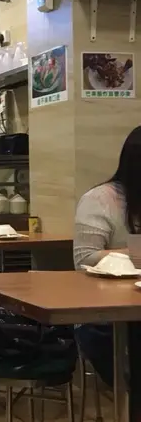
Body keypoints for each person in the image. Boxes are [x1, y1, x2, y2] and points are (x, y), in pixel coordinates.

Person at [73, 125, 141, 386]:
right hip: (106, 310)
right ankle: (130, 398)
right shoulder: (101, 199)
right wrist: (133, 254)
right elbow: (84, 258)